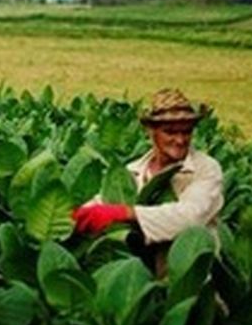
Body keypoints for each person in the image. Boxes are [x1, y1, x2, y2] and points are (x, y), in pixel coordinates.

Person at [72, 88, 224, 273]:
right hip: (140, 279)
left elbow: (189, 217)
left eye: (186, 132)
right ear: (151, 131)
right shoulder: (132, 171)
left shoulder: (206, 168)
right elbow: (101, 205)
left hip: (190, 282)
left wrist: (127, 213)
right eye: (170, 132)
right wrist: (71, 219)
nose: (180, 140)